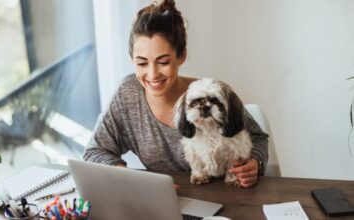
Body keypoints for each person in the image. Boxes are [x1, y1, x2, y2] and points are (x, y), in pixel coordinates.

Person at [83, 0, 268, 188]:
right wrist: (137, 182)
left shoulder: (209, 94)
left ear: (181, 56)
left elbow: (258, 138)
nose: (152, 74)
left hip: (224, 198)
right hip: (160, 201)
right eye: (142, 63)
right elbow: (94, 152)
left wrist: (255, 163)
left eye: (163, 62)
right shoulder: (128, 94)